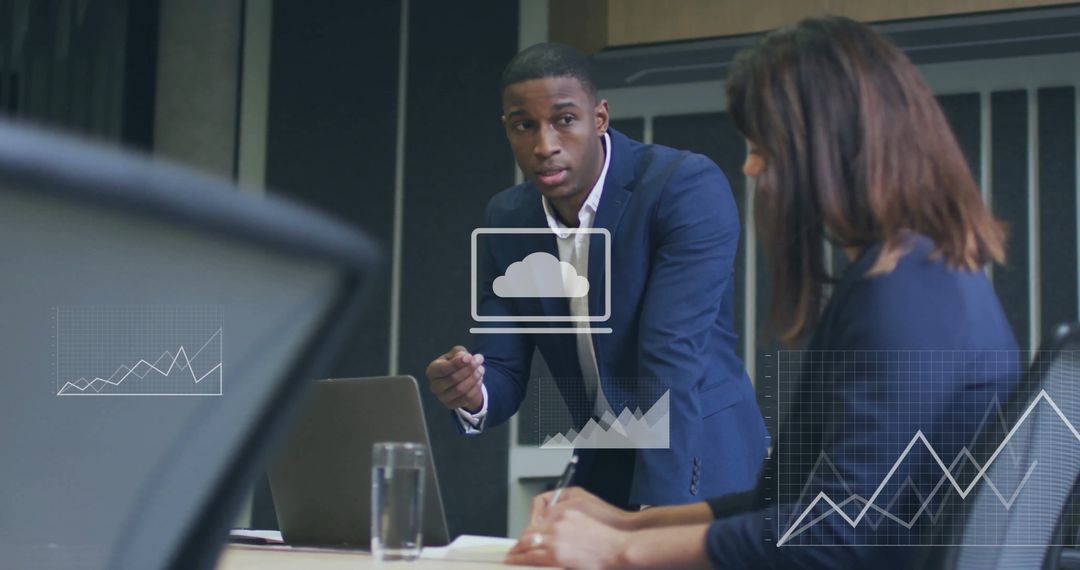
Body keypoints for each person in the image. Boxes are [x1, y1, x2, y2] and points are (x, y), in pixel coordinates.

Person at [505, 16, 1021, 569]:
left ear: (828, 144)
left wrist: (623, 550)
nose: (751, 166)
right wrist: (629, 521)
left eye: (764, 147)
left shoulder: (905, 295)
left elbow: (835, 534)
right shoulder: (920, 273)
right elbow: (795, 501)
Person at [424, 42, 768, 509]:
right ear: (508, 129)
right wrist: (470, 391)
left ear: (600, 117)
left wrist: (655, 519)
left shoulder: (683, 186)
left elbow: (669, 353)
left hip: (700, 462)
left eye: (565, 120)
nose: (545, 146)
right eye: (525, 126)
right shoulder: (508, 219)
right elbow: (503, 364)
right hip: (604, 464)